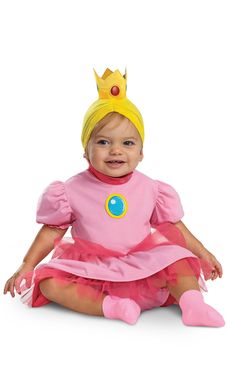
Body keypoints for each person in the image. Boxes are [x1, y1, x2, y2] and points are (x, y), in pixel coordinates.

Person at [4, 67, 225, 327]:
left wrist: (203, 252)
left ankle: (193, 306)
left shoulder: (151, 189)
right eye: (103, 142)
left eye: (128, 143)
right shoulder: (71, 190)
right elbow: (52, 230)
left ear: (142, 152)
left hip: (141, 263)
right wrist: (27, 264)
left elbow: (174, 227)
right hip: (94, 270)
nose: (116, 151)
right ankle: (112, 306)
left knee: (177, 260)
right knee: (49, 283)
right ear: (86, 151)